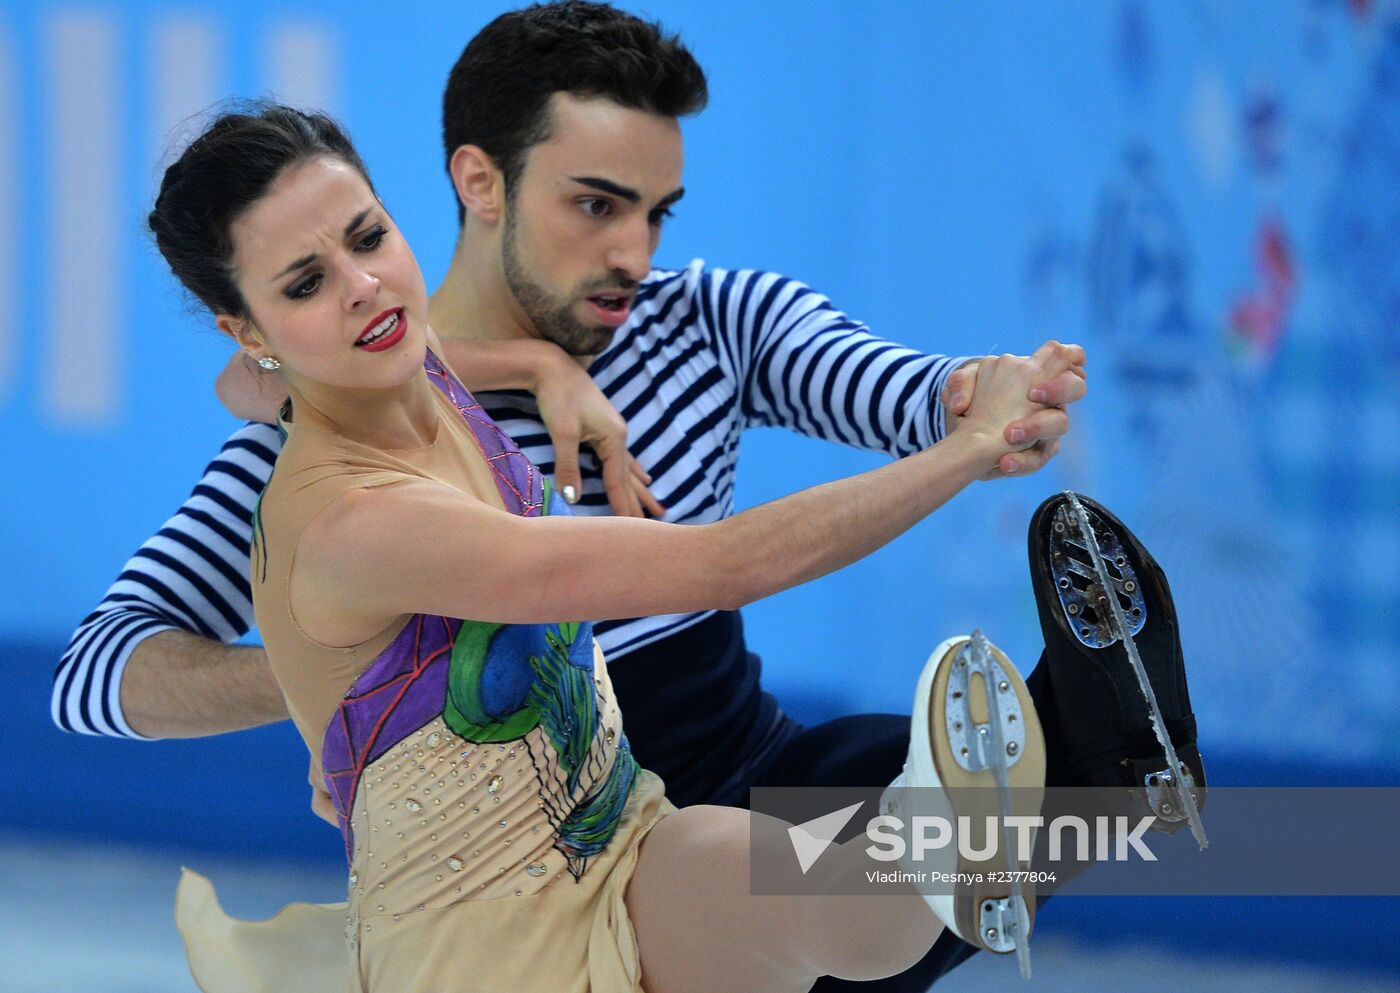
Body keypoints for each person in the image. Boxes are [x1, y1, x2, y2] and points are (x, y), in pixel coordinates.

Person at [58, 4, 1204, 991]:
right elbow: (92, 676)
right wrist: (356, 690)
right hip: (497, 923)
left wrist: (980, 394)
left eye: (658, 212)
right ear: (478, 183)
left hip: (645, 808)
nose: (633, 253)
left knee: (826, 821)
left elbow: (907, 390)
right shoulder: (319, 489)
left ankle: (1037, 787)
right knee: (802, 863)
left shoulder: (635, 331)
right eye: (594, 206)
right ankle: (1015, 808)